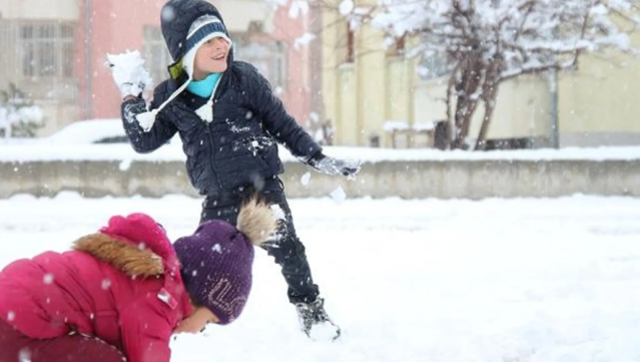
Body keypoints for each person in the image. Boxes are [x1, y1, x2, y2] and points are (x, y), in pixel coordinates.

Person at [108, 0, 360, 339]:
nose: (221, 45)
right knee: (198, 265)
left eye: (222, 38)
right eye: (209, 41)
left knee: (289, 250)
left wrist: (316, 157)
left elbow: (282, 125)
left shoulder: (243, 79)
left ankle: (310, 309)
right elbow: (144, 139)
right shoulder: (171, 97)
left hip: (261, 190)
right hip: (217, 196)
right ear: (186, 51)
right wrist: (131, 97)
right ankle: (182, 315)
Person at [0, 198, 276, 362]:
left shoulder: (148, 276)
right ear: (198, 297)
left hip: (14, 304)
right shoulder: (159, 299)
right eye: (209, 322)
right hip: (17, 328)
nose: (197, 331)